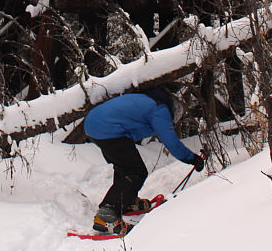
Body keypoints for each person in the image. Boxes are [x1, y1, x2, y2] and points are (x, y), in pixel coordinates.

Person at [84, 87, 205, 234]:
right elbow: (171, 143)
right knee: (136, 171)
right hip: (107, 128)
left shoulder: (148, 101)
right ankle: (107, 213)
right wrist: (192, 159)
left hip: (94, 124)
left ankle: (126, 202)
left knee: (124, 167)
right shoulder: (160, 109)